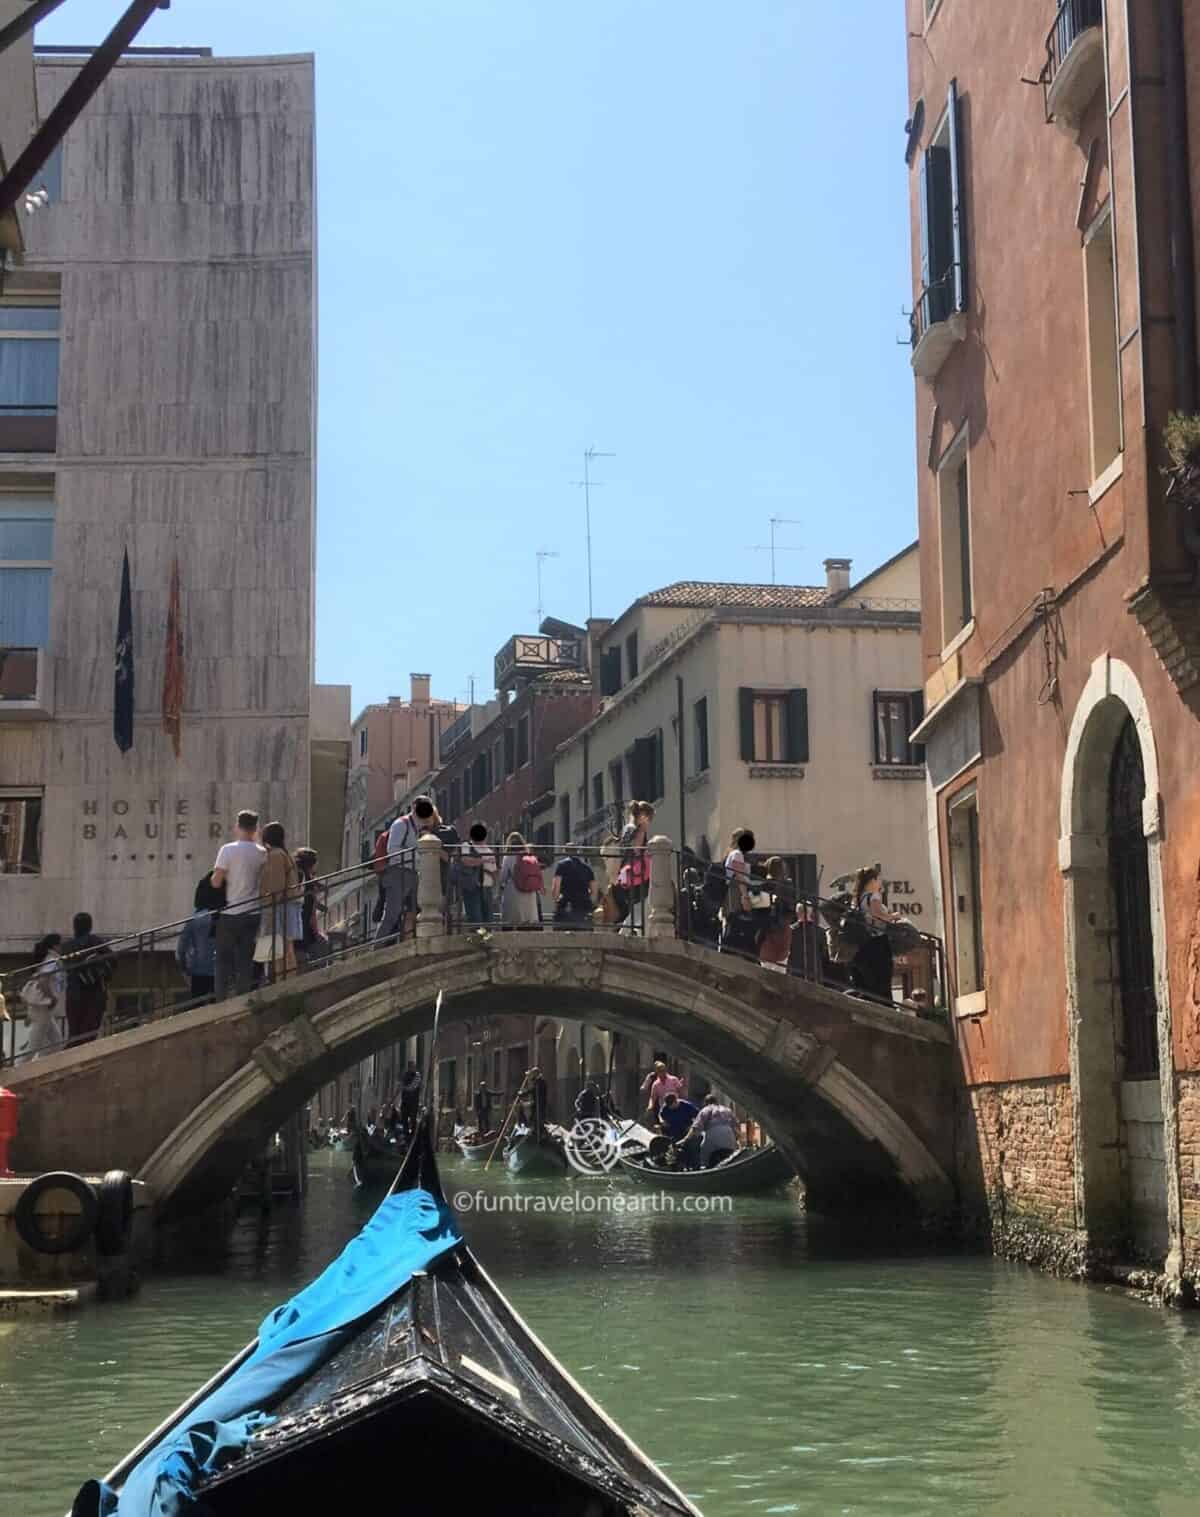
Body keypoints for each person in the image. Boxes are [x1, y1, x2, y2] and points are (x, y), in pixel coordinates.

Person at [211, 810, 266, 999]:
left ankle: (221, 1000)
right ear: (255, 828)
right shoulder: (262, 853)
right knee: (245, 959)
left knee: (223, 959)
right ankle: (243, 998)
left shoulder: (228, 850)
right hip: (253, 912)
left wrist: (223, 875)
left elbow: (216, 882)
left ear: (237, 826)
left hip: (231, 912)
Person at [60, 911, 114, 1044]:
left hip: (73, 994)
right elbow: (113, 960)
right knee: (89, 1033)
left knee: (75, 1032)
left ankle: (72, 1061)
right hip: (94, 993)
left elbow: (65, 966)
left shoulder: (66, 946)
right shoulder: (95, 941)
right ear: (90, 926)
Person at [374, 800, 424, 943]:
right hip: (397, 872)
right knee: (391, 915)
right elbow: (393, 850)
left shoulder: (417, 827)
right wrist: (417, 856)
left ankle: (407, 941)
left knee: (414, 911)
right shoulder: (401, 824)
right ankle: (375, 949)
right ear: (414, 807)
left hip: (412, 873)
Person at [850, 864, 900, 1001]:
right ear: (872, 881)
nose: (879, 882)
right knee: (883, 978)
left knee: (871, 982)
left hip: (865, 943)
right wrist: (893, 916)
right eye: (878, 879)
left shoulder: (860, 898)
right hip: (878, 942)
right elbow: (877, 914)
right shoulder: (873, 896)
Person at [259, 821, 301, 980]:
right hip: (288, 905)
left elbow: (276, 886)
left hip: (279, 906)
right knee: (287, 948)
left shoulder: (275, 855)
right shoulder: (285, 854)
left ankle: (282, 985)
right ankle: (289, 983)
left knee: (279, 950)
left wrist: (267, 902)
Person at [19, 934, 65, 1061]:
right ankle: (16, 1068)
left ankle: (43, 1064)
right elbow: (43, 981)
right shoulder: (52, 959)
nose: (62, 947)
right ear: (55, 945)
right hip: (42, 1008)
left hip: (41, 1009)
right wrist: (52, 998)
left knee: (57, 1042)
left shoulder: (48, 958)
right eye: (61, 944)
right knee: (32, 1049)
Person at [176, 874, 222, 1000]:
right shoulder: (226, 916)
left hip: (198, 970)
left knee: (196, 1005)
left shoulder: (195, 919)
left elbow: (181, 948)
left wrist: (184, 967)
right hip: (220, 970)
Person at [612, 801, 654, 931]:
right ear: (643, 816)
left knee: (636, 908)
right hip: (638, 875)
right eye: (649, 819)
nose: (649, 822)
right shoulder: (638, 830)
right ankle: (626, 933)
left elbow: (624, 850)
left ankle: (630, 932)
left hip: (626, 874)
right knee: (641, 907)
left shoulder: (626, 829)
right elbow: (637, 850)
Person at [757, 857, 795, 974]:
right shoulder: (788, 886)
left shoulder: (764, 885)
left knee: (766, 968)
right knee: (781, 968)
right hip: (783, 928)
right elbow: (790, 908)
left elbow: (760, 907)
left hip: (768, 929)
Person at [293, 847, 329, 967]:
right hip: (303, 928)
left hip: (297, 926)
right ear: (311, 864)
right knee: (321, 945)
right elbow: (308, 907)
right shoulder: (307, 881)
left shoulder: (300, 877)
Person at [499, 831, 542, 928]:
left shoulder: (508, 857)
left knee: (510, 923)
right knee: (527, 924)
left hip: (514, 891)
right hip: (530, 893)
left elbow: (503, 877)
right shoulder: (530, 856)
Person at [459, 822, 498, 925]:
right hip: (472, 888)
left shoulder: (489, 851)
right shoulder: (466, 845)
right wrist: (483, 861)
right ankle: (477, 939)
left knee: (488, 920)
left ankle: (486, 939)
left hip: (487, 889)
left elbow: (494, 872)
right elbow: (465, 860)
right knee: (476, 919)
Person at [688, 1092, 739, 1169]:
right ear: (716, 1101)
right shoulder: (727, 1110)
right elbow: (736, 1125)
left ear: (706, 1103)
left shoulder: (704, 1110)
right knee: (733, 1157)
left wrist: (686, 1139)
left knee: (705, 1156)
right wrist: (736, 1139)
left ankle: (705, 1168)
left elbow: (696, 1128)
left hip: (712, 1135)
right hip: (729, 1134)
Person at [552, 845, 596, 929]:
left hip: (566, 904)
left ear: (565, 852)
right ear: (577, 852)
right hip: (583, 906)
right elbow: (594, 891)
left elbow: (556, 887)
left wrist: (556, 902)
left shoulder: (561, 865)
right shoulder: (587, 867)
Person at [657, 1090, 701, 1167]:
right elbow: (660, 1116)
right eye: (669, 1106)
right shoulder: (666, 1108)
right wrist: (662, 1121)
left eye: (671, 1105)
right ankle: (676, 1165)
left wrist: (692, 1126)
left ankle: (693, 1166)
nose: (670, 1108)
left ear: (675, 1102)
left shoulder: (686, 1106)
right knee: (675, 1149)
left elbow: (699, 1116)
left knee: (691, 1148)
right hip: (673, 1132)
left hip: (686, 1131)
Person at [398, 1061, 422, 1138]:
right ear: (409, 1067)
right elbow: (400, 1084)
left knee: (413, 1120)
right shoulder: (405, 1075)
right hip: (405, 1101)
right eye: (411, 1067)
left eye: (414, 1067)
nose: (413, 1068)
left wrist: (403, 1087)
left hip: (413, 1102)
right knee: (404, 1120)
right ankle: (406, 1136)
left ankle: (413, 1136)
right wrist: (402, 1087)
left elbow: (412, 1087)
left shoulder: (417, 1075)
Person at [524, 1066, 549, 1137]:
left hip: (540, 1103)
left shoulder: (541, 1082)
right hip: (536, 1103)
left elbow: (532, 1090)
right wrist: (528, 1076)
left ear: (536, 1074)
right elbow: (532, 1084)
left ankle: (541, 1134)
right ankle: (536, 1132)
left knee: (539, 1119)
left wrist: (523, 1093)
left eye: (533, 1074)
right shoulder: (536, 1081)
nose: (533, 1075)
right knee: (533, 1118)